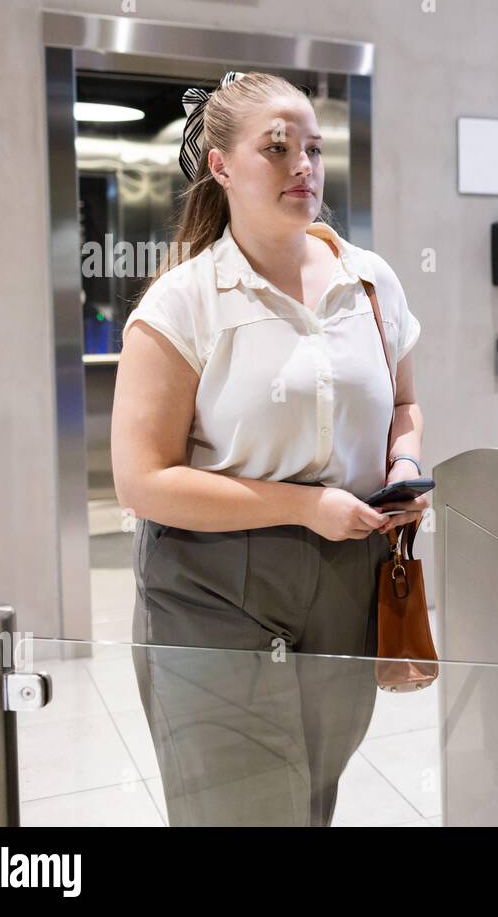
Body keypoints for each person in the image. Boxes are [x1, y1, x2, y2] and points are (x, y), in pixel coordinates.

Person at [110, 70, 427, 826]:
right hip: (210, 588)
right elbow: (142, 480)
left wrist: (405, 468)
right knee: (241, 812)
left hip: (346, 581)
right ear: (220, 166)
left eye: (313, 149)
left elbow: (405, 403)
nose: (303, 167)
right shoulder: (184, 302)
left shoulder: (370, 282)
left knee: (310, 802)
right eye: (276, 148)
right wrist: (307, 505)